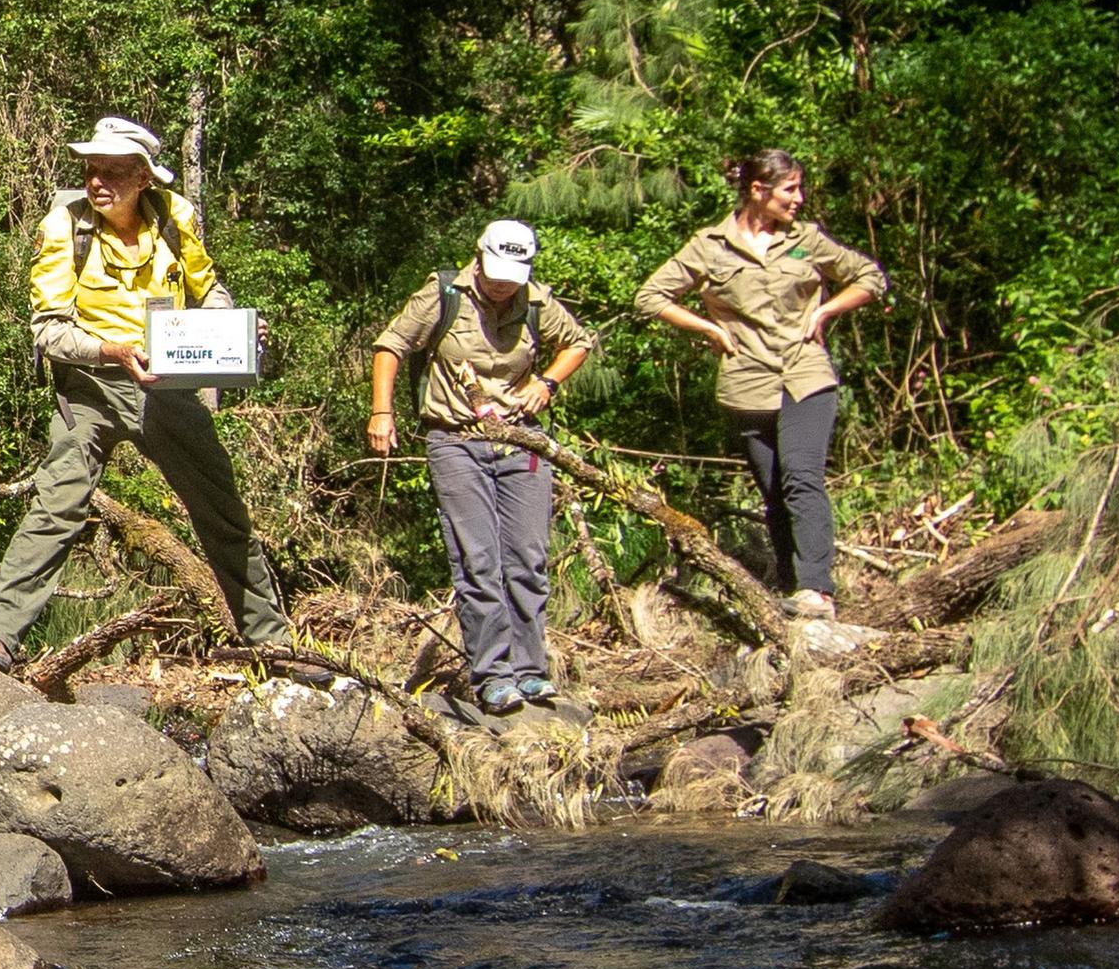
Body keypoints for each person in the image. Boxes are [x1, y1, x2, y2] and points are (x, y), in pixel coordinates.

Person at [0, 115, 289, 673]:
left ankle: (272, 640)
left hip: (168, 387)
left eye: (113, 170)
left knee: (219, 508)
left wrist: (233, 326)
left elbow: (206, 289)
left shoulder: (174, 217)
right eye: (92, 168)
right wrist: (112, 352)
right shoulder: (66, 226)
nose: (97, 181)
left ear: (144, 177)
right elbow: (47, 329)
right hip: (89, 388)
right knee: (58, 503)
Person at [632, 147, 890, 618]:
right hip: (746, 383)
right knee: (773, 491)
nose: (799, 198)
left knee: (801, 476)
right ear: (758, 190)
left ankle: (817, 587)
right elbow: (650, 296)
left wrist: (829, 308)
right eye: (790, 189)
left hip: (805, 373)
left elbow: (870, 277)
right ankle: (794, 590)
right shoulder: (709, 246)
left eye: (799, 188)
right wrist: (707, 328)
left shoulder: (806, 239)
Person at [368, 216, 595, 714]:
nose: (500, 285)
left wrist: (548, 383)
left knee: (527, 559)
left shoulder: (535, 301)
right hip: (456, 441)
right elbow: (391, 346)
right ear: (478, 256)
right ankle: (493, 675)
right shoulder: (444, 293)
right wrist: (381, 412)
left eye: (510, 277)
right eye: (494, 274)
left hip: (522, 441)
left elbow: (578, 342)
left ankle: (531, 671)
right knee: (479, 560)